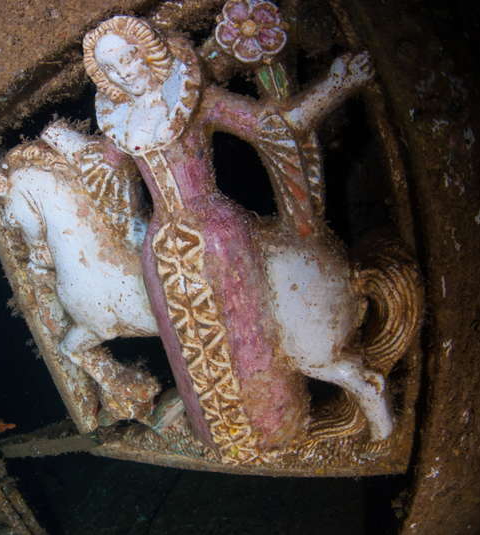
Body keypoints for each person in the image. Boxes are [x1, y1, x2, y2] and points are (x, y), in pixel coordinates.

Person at [77, 16, 375, 463]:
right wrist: (59, 144)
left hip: (219, 236)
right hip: (161, 250)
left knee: (248, 333)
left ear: (148, 52)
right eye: (113, 68)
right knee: (185, 346)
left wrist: (335, 85)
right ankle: (218, 436)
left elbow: (272, 126)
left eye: (128, 57)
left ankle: (275, 431)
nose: (125, 70)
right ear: (107, 79)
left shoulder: (194, 100)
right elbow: (100, 165)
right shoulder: (122, 123)